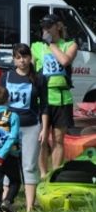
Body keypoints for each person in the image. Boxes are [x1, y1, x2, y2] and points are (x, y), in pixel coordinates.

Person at [4, 44, 49, 212]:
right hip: (9, 127)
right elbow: (0, 102)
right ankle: (5, 201)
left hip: (31, 126)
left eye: (24, 57)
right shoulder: (7, 76)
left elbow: (45, 105)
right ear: (13, 59)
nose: (21, 61)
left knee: (29, 164)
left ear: (30, 58)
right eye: (18, 57)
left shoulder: (39, 78)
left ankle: (30, 206)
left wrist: (44, 128)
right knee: (8, 164)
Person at [32, 13, 78, 172]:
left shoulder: (70, 45)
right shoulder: (36, 47)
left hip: (62, 98)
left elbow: (65, 61)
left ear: (58, 26)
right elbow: (30, 71)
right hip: (43, 99)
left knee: (58, 140)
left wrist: (51, 44)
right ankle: (44, 174)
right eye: (43, 27)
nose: (45, 30)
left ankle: (56, 173)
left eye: (49, 26)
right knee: (42, 140)